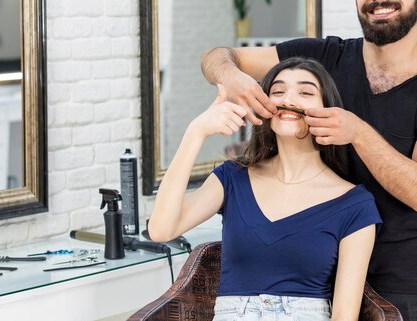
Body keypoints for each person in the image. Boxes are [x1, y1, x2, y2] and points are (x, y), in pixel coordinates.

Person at [200, 0, 417, 321]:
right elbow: (218, 56)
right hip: (316, 271)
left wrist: (358, 132)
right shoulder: (323, 57)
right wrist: (232, 77)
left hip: (404, 282)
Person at [149, 57, 382, 321]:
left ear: (328, 110)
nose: (288, 100)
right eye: (278, 91)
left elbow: (344, 316)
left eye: (305, 92)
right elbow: (161, 229)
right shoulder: (232, 178)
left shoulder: (354, 205)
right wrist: (196, 132)